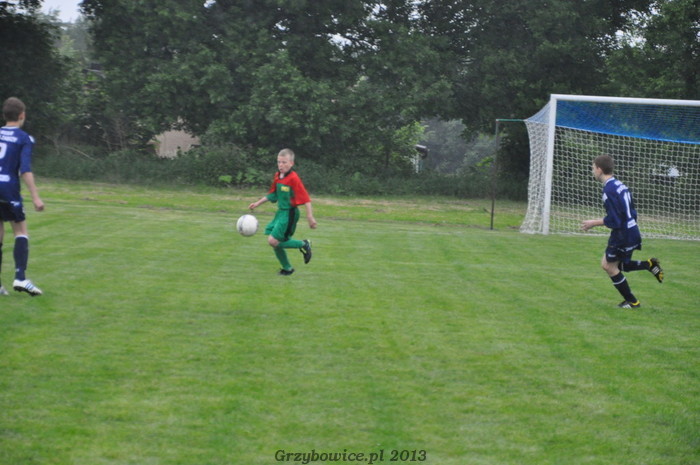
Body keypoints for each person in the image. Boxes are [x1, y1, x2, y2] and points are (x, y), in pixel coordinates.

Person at [581, 154, 663, 308]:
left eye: (593, 168)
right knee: (616, 264)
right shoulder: (620, 185)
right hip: (631, 230)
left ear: (599, 169)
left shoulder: (609, 190)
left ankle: (632, 302)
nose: (592, 171)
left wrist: (593, 223)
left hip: (622, 234)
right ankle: (649, 265)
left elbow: (615, 220)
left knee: (608, 266)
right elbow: (631, 211)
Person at [0, 97, 45, 296]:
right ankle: (20, 278)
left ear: (4, 115)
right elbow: (25, 170)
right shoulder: (24, 138)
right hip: (8, 188)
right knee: (20, 231)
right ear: (22, 115)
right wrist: (36, 197)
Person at [248, 148, 317, 275]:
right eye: (279, 162)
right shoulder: (277, 176)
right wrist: (257, 203)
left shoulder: (294, 178)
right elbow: (273, 194)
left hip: (290, 214)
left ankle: (303, 244)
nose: (281, 165)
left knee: (273, 241)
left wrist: (310, 217)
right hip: (280, 213)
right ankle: (287, 269)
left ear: (291, 163)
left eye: (284, 162)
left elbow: (306, 198)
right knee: (275, 242)